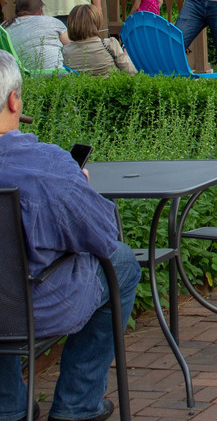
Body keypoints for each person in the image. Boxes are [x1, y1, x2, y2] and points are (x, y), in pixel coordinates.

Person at [0, 51, 140, 421]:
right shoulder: (47, 165)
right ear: (14, 101)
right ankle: (76, 404)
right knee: (121, 262)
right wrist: (81, 187)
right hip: (34, 309)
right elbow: (103, 235)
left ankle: (9, 404)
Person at [62, 5, 137, 76]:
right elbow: (131, 71)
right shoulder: (109, 44)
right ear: (97, 22)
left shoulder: (66, 50)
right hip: (110, 87)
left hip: (80, 88)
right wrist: (126, 56)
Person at [2, 0, 68, 71]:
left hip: (23, 74)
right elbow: (71, 45)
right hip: (56, 73)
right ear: (40, 9)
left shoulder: (5, 27)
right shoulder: (53, 22)